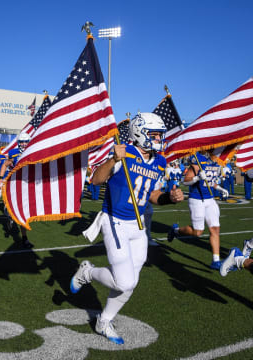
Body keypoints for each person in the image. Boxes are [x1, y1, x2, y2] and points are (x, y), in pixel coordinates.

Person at [71, 112, 184, 344]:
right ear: (139, 132)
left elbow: (152, 194)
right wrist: (113, 159)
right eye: (154, 134)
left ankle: (104, 320)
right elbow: (95, 180)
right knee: (124, 281)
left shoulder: (160, 161)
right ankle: (88, 272)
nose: (158, 139)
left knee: (131, 282)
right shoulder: (125, 152)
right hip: (115, 220)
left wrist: (169, 198)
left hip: (138, 224)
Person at [167, 153, 229, 270]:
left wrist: (220, 188)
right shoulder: (198, 159)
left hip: (210, 199)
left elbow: (210, 180)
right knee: (198, 232)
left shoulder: (216, 161)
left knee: (215, 228)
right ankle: (176, 230)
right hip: (197, 199)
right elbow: (185, 181)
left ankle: (216, 260)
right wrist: (197, 178)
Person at [0, 132, 33, 249]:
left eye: (25, 142)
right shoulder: (13, 153)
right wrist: (1, 178)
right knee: (13, 207)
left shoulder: (33, 150)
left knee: (24, 212)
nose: (24, 144)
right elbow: (5, 164)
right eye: (22, 142)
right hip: (14, 183)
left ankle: (24, 238)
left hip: (27, 184)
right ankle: (9, 213)